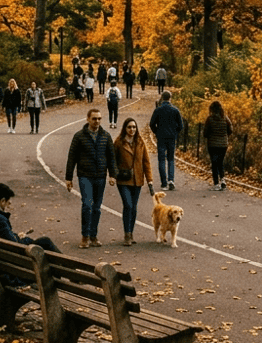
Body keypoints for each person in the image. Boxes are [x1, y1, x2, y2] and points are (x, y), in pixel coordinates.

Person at [65, 108, 117, 248]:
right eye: (94, 119)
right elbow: (72, 157)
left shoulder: (105, 136)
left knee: (97, 208)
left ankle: (94, 236)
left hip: (100, 176)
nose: (97, 121)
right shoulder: (79, 136)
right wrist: (68, 178)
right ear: (88, 119)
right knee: (87, 205)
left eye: (99, 119)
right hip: (85, 175)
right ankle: (85, 236)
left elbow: (111, 157)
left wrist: (112, 175)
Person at [0, 182, 60, 252]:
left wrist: (15, 236)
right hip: (4, 267)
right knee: (45, 241)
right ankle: (71, 271)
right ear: (2, 201)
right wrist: (24, 239)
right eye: (8, 203)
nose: (7, 206)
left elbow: (3, 235)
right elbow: (14, 246)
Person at [114, 117, 154, 245]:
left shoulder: (140, 143)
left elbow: (146, 163)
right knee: (128, 205)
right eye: (129, 127)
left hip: (137, 180)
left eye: (134, 127)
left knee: (134, 208)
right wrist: (113, 174)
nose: (132, 129)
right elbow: (112, 160)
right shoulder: (119, 143)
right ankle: (127, 235)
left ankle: (131, 233)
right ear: (125, 128)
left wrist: (150, 181)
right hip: (123, 180)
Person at [149, 90, 183, 190]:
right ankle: (171, 180)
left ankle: (164, 183)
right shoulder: (175, 110)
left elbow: (152, 124)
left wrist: (156, 132)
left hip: (161, 137)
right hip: (172, 137)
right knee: (171, 159)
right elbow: (181, 125)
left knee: (161, 159)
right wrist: (175, 132)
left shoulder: (158, 110)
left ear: (162, 98)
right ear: (170, 98)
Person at [203, 100, 232, 191]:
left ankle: (216, 183)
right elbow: (230, 130)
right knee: (220, 162)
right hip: (223, 144)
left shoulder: (210, 119)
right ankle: (223, 180)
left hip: (212, 144)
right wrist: (224, 135)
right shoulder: (225, 118)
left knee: (214, 163)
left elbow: (205, 133)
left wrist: (209, 135)